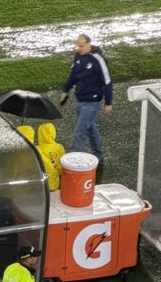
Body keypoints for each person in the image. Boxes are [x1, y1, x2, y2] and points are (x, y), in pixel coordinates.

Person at [60, 34, 113, 164]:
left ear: (89, 44)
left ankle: (74, 164)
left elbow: (107, 81)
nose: (79, 48)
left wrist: (108, 102)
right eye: (78, 46)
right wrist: (65, 90)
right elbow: (73, 75)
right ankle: (99, 155)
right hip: (80, 100)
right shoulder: (78, 56)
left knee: (80, 132)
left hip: (93, 103)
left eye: (82, 46)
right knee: (90, 129)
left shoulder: (98, 59)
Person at [36, 123, 65, 191]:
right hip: (56, 185)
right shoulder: (59, 147)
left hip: (41, 187)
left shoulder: (36, 149)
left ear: (40, 135)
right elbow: (62, 169)